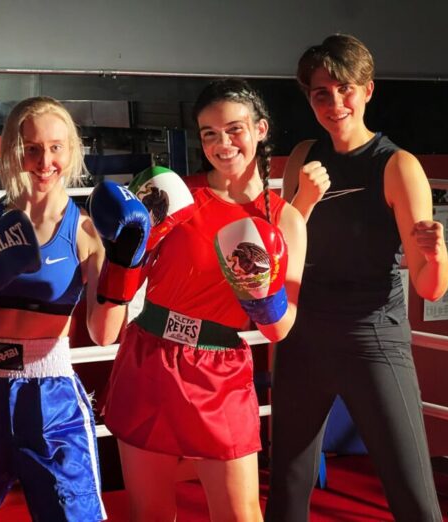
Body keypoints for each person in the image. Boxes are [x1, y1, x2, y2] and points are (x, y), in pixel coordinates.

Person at [103, 78, 307, 522]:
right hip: (150, 357)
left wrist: (261, 297)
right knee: (149, 513)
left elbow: (281, 328)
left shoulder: (284, 218)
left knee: (241, 515)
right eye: (209, 133)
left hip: (219, 368)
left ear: (261, 129)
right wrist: (121, 250)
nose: (223, 143)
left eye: (234, 129)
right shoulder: (174, 195)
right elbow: (122, 286)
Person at [265, 34, 448, 522]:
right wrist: (301, 199)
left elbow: (431, 287)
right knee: (287, 480)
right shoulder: (304, 155)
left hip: (373, 337)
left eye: (344, 89)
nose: (334, 102)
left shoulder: (397, 166)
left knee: (412, 493)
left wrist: (438, 254)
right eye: (321, 93)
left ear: (368, 91)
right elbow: (285, 249)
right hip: (304, 335)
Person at [0, 96, 138, 522]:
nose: (43, 161)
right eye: (31, 148)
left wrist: (125, 264)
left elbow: (104, 332)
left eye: (55, 147)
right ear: (12, 152)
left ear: (72, 151)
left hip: (50, 392)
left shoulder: (87, 231)